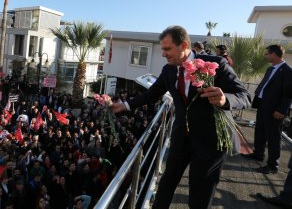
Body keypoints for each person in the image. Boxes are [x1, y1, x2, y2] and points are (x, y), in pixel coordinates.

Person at [110, 26, 251, 209]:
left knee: (199, 195)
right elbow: (152, 93)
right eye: (162, 49)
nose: (163, 54)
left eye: (167, 49)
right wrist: (125, 105)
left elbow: (245, 96)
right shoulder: (169, 70)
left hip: (211, 141)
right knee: (166, 183)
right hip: (181, 136)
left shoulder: (216, 64)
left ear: (184, 45)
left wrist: (224, 99)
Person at [243, 44, 292, 174]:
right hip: (263, 105)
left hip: (275, 110)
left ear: (274, 54)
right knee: (260, 131)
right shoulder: (270, 69)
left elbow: (288, 94)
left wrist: (282, 110)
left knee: (273, 137)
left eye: (267, 54)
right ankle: (258, 154)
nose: (265, 56)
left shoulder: (287, 71)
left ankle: (272, 165)